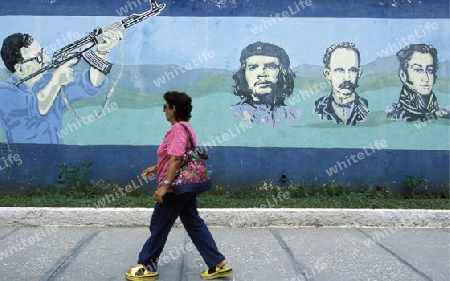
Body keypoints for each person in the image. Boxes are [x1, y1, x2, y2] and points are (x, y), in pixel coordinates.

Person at [126, 91, 232, 280]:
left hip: (175, 188)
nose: (164, 111)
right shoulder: (187, 128)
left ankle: (147, 266)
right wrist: (156, 168)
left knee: (159, 224)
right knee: (193, 223)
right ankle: (216, 263)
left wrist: (164, 186)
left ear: (173, 108)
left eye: (165, 107)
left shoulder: (176, 130)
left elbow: (176, 158)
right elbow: (180, 158)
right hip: (186, 186)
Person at [0, 30, 122, 144]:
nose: (46, 59)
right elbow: (39, 107)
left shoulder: (48, 82)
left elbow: (92, 82)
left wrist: (102, 52)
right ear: (20, 68)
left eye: (42, 52)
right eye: (38, 57)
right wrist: (57, 80)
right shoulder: (5, 92)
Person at [231, 41, 300, 127]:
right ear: (243, 75)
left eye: (270, 66)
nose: (262, 74)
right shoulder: (235, 114)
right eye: (253, 67)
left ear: (283, 72)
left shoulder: (293, 115)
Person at [386, 43, 449, 122]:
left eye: (430, 70)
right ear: (403, 75)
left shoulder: (443, 114)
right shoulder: (394, 114)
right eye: (418, 70)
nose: (426, 78)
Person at [314, 42, 370, 126]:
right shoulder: (318, 108)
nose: (347, 78)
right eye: (339, 70)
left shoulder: (367, 108)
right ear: (328, 73)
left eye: (352, 70)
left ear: (359, 73)